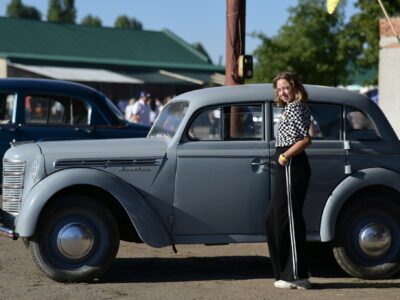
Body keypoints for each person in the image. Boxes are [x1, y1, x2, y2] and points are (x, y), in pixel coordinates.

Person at [265, 71, 312, 289]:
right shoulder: (287, 108)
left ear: (294, 86)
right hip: (285, 164)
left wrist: (285, 156)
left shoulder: (298, 106)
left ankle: (298, 276)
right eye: (280, 89)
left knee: (290, 220)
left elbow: (305, 139)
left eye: (286, 87)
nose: (283, 92)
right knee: (273, 217)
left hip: (292, 164)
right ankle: (283, 273)